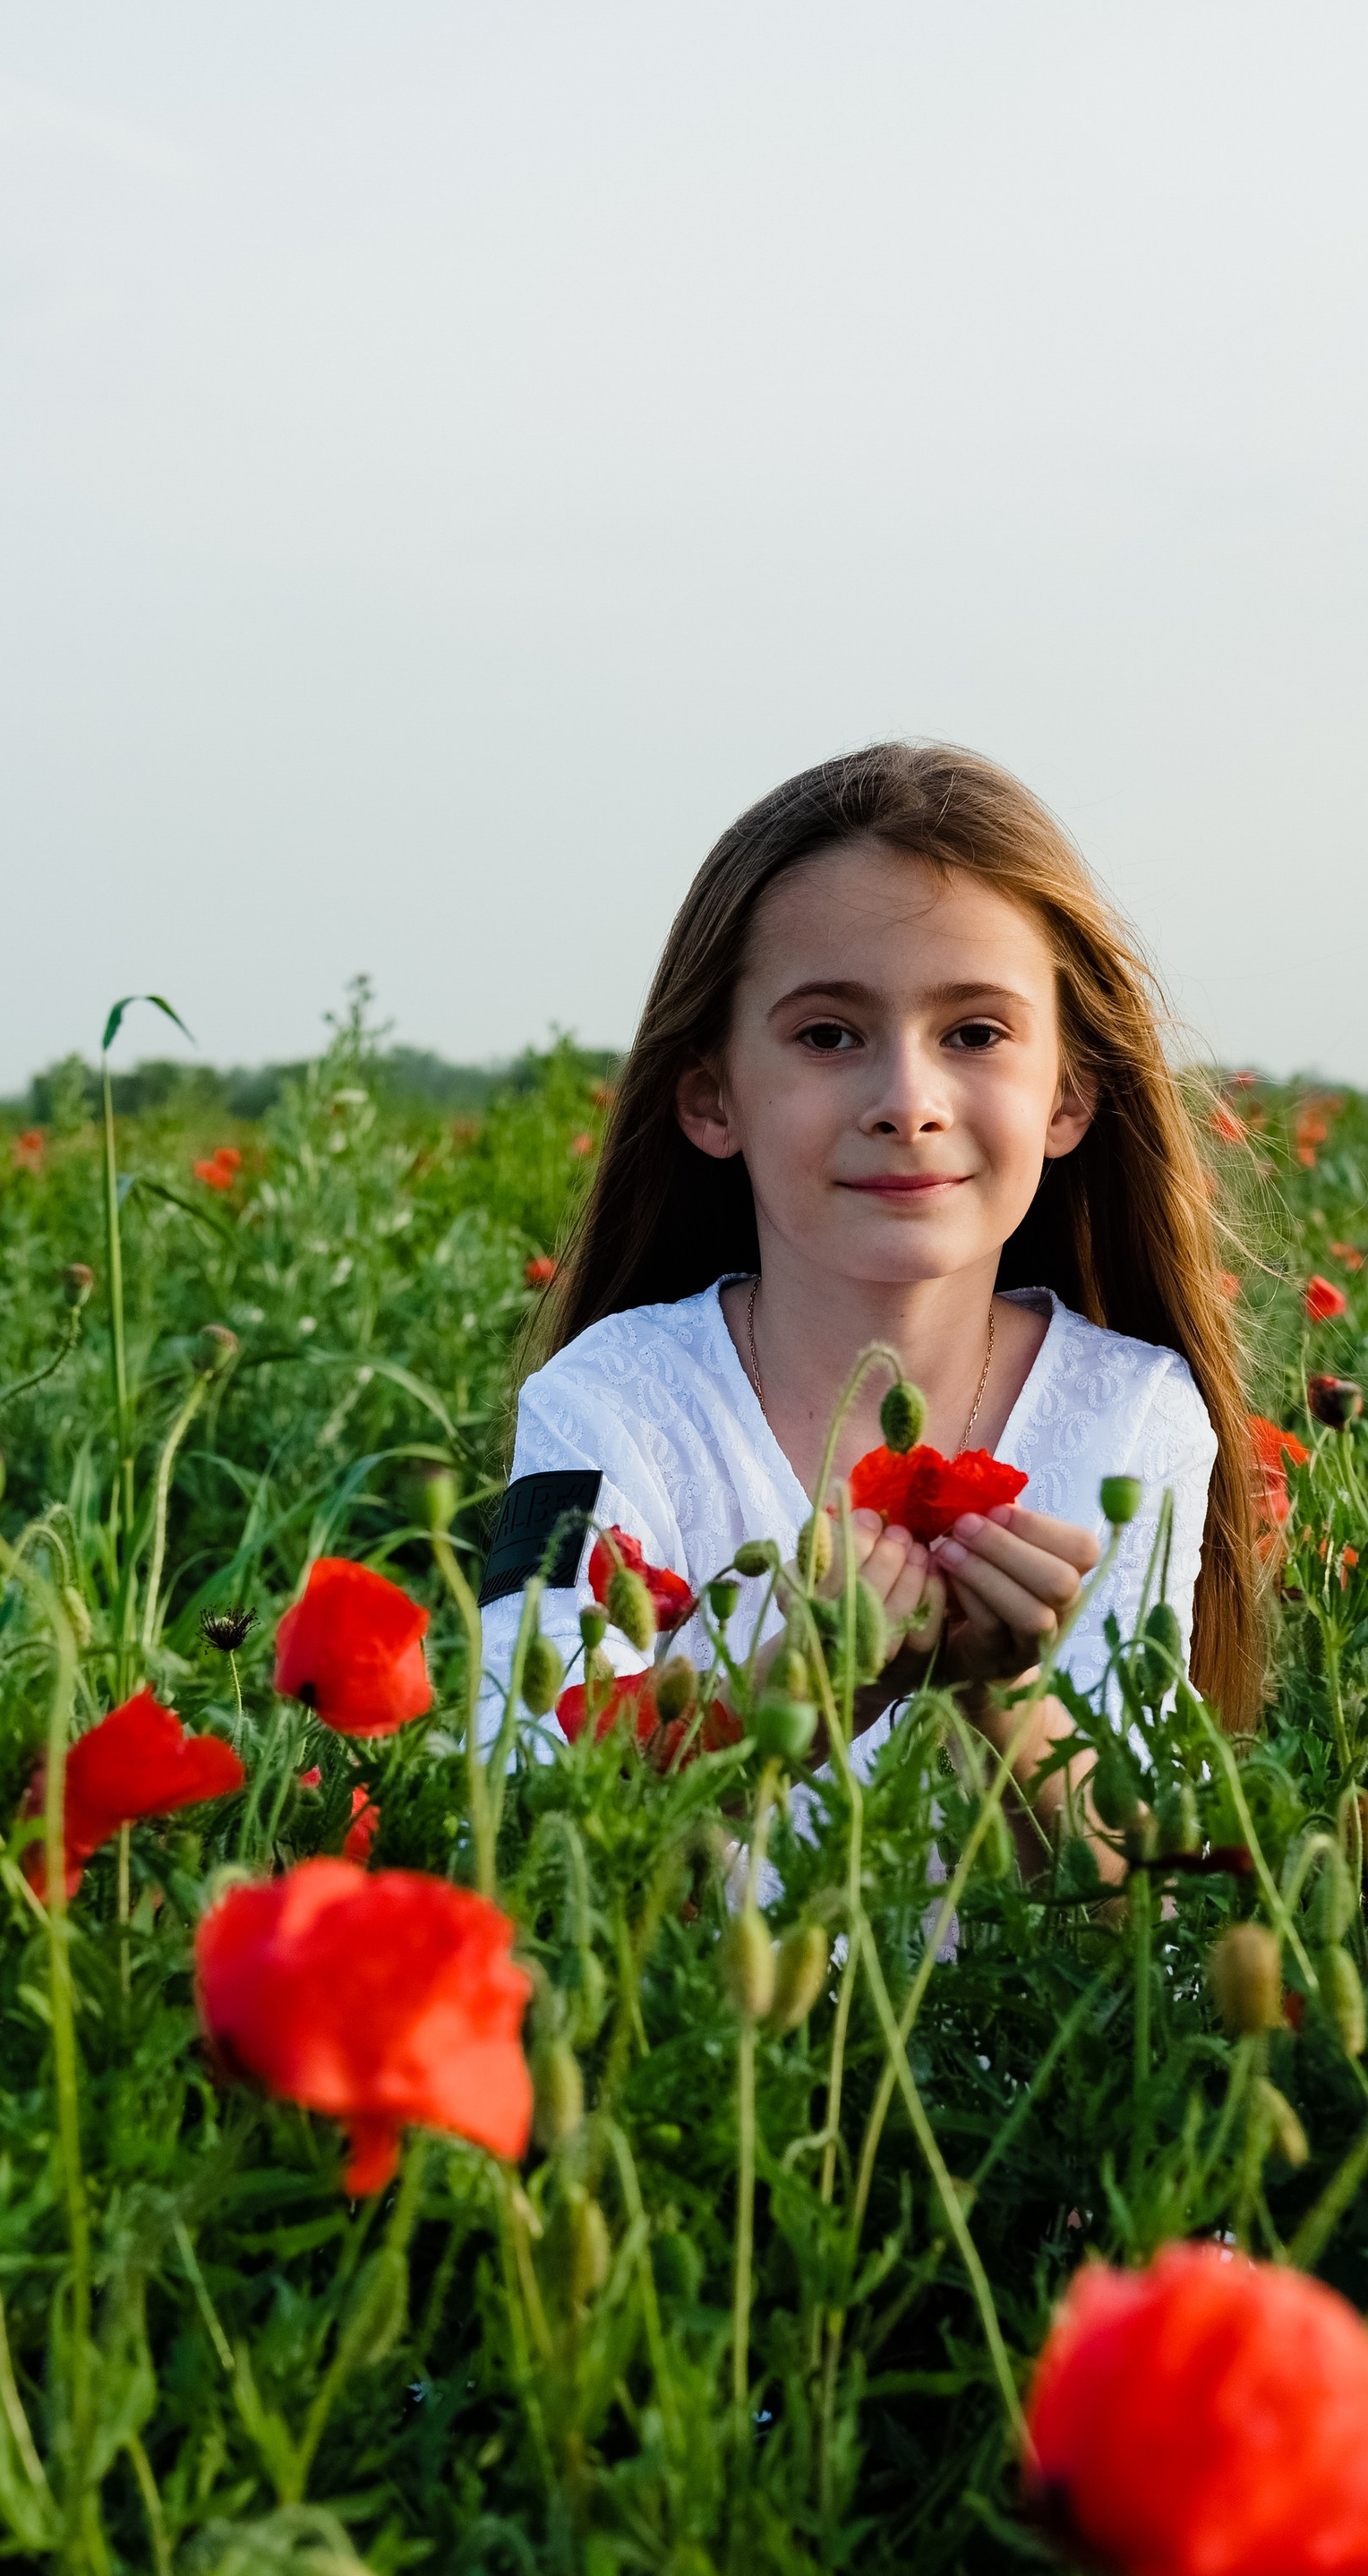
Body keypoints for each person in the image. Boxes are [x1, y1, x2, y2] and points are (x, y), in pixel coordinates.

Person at [476, 742, 1259, 1815]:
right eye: (828, 1034)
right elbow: (515, 1799)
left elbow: (1143, 1908)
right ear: (711, 1099)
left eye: (975, 1033)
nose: (907, 1099)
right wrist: (805, 1686)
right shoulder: (609, 1401)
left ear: (1069, 1099)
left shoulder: (1131, 1418)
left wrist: (1003, 1695)